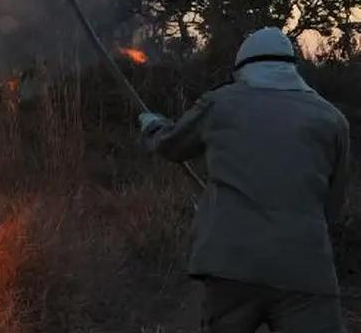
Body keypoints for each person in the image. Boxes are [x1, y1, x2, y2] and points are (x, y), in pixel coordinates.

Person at [140, 27, 351, 333]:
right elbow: (333, 205)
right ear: (293, 67)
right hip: (306, 271)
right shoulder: (332, 120)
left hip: (229, 266)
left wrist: (152, 127)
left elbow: (171, 145)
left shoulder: (219, 104)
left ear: (242, 68)